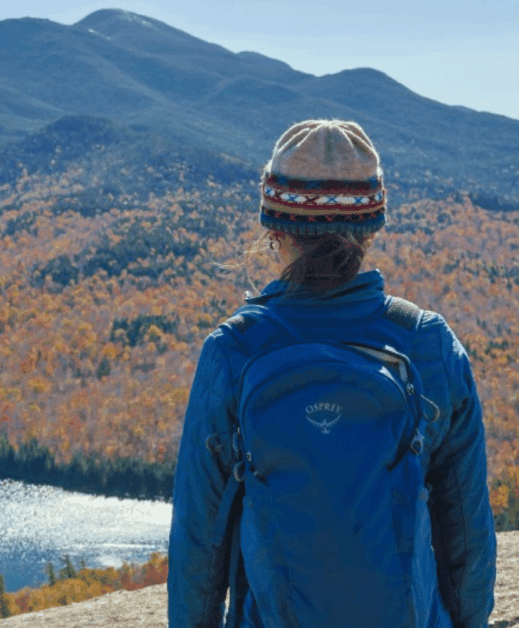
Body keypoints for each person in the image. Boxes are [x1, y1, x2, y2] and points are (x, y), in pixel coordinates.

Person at [167, 120, 496, 628]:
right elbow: (467, 532)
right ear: (369, 228)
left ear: (275, 228)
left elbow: (199, 541)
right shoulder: (427, 343)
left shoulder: (233, 351)